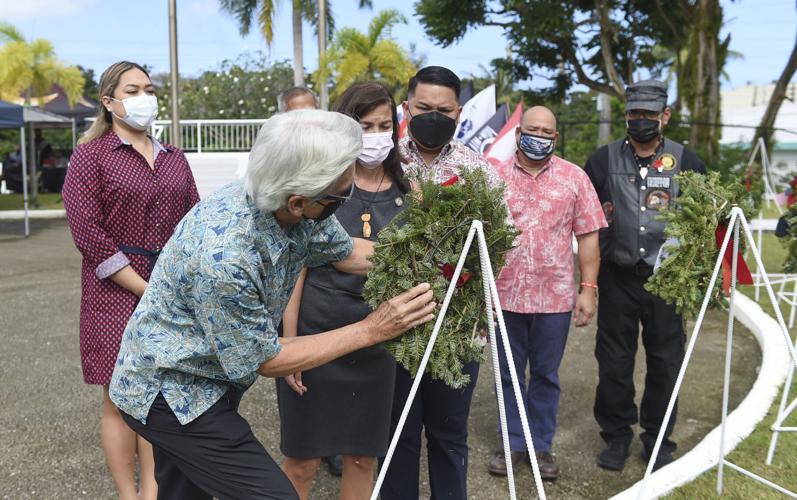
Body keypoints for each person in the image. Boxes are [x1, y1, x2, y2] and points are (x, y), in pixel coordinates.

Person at [109, 109, 436, 500]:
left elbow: (348, 252)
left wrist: (425, 261)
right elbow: (267, 359)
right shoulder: (227, 257)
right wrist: (373, 329)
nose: (347, 195)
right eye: (341, 193)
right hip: (173, 392)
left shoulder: (292, 204)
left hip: (208, 379)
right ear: (298, 201)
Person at [62, 61, 200, 500]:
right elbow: (89, 233)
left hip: (171, 290)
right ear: (109, 102)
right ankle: (128, 493)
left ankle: (154, 491)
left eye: (149, 88)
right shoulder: (91, 157)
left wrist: (180, 286)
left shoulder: (175, 158)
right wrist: (145, 288)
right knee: (120, 400)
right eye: (133, 90)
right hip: (114, 293)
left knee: (161, 398)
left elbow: (194, 222)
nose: (145, 97)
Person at [278, 82, 410, 500]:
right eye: (365, 125)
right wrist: (291, 344)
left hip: (378, 346)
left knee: (361, 459)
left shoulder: (411, 194)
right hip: (315, 335)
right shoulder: (324, 185)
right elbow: (296, 269)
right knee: (302, 461)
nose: (375, 135)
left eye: (383, 125)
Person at [379, 66, 503, 500]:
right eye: (424, 108)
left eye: (444, 110)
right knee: (398, 435)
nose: (433, 116)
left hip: (459, 327)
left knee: (450, 434)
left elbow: (497, 246)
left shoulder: (478, 171)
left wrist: (477, 311)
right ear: (407, 106)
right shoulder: (385, 162)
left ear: (459, 111)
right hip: (395, 323)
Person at [584, 79, 706, 472]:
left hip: (666, 281)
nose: (641, 121)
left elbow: (705, 222)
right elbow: (588, 219)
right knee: (614, 361)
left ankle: (657, 439)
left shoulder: (687, 162)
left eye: (649, 115)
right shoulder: (602, 161)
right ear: (626, 116)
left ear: (664, 116)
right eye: (634, 114)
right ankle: (617, 435)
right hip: (618, 278)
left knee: (666, 361)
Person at [486, 106, 607, 480]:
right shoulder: (493, 176)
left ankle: (539, 445)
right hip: (503, 297)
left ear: (555, 137)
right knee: (508, 375)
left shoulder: (575, 178)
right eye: (532, 129)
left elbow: (588, 237)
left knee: (545, 375)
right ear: (519, 133)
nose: (539, 136)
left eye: (546, 132)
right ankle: (511, 445)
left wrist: (588, 290)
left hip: (554, 300)